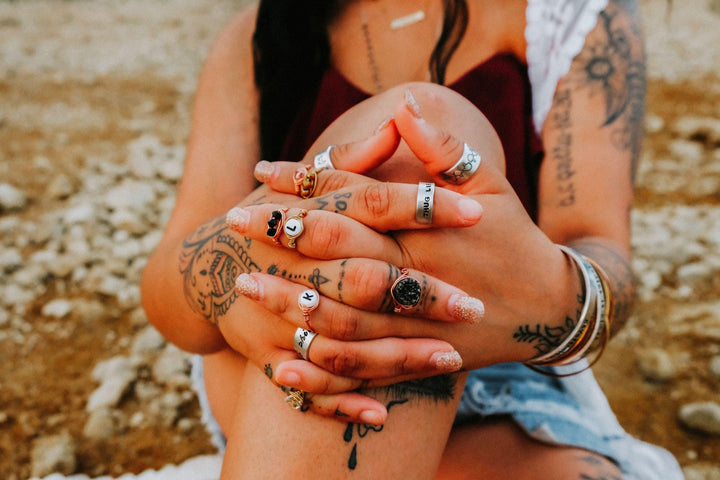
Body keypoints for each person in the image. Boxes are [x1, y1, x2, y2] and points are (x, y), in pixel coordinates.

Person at [141, 0, 684, 478]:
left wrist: (555, 293)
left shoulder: (567, 16)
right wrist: (270, 242)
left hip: (496, 373)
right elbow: (168, 291)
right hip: (283, 368)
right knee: (415, 148)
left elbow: (601, 249)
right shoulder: (264, 34)